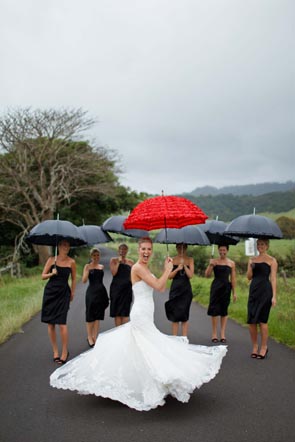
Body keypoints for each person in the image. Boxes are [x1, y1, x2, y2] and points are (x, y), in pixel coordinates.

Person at [50, 237, 227, 411]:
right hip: (140, 314)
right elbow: (159, 286)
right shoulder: (136, 268)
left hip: (147, 313)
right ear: (138, 250)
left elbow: (162, 287)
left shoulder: (145, 268)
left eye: (149, 249)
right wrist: (167, 270)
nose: (146, 252)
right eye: (143, 249)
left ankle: (148, 380)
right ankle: (142, 383)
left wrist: (166, 271)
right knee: (145, 345)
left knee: (145, 346)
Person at [41, 239, 76, 364]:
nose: (65, 247)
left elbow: (74, 279)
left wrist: (72, 292)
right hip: (50, 293)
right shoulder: (51, 260)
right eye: (63, 245)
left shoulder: (71, 262)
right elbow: (43, 276)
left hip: (63, 294)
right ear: (59, 247)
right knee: (51, 324)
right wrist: (51, 273)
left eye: (67, 245)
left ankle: (65, 351)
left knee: (62, 324)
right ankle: (55, 351)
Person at [246, 238, 277, 359]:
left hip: (265, 291)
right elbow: (249, 277)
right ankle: (255, 346)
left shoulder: (272, 260)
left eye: (262, 244)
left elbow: (273, 278)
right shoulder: (252, 260)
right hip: (254, 291)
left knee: (263, 321)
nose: (260, 246)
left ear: (267, 246)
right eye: (258, 244)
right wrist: (250, 266)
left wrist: (274, 296)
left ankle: (264, 347)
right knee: (252, 321)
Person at [205, 244, 237, 343]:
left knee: (224, 310)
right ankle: (214, 334)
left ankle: (222, 334)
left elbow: (233, 278)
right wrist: (210, 265)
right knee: (214, 310)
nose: (222, 252)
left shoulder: (231, 263)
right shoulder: (214, 261)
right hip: (216, 287)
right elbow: (207, 275)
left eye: (224, 250)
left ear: (227, 250)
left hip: (226, 287)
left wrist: (234, 292)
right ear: (218, 250)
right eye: (220, 250)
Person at [82, 247, 109, 348]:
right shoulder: (87, 266)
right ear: (91, 256)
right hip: (91, 292)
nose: (96, 257)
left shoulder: (101, 266)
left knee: (98, 315)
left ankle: (95, 336)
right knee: (90, 315)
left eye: (98, 255)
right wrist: (88, 270)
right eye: (94, 255)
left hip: (101, 292)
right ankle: (89, 336)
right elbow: (84, 280)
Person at [165, 243, 194, 337]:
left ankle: (184, 339)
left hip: (186, 290)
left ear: (186, 248)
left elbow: (190, 275)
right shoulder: (172, 260)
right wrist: (177, 269)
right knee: (175, 315)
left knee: (184, 315)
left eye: (183, 248)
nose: (181, 250)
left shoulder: (190, 260)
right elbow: (169, 276)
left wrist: (185, 266)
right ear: (176, 248)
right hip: (175, 289)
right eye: (179, 248)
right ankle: (174, 338)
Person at [109, 243, 134, 326]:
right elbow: (114, 273)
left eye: (124, 249)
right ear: (118, 250)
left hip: (127, 290)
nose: (122, 251)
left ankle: (124, 334)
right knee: (117, 313)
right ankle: (118, 333)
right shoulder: (113, 260)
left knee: (125, 312)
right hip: (116, 289)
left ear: (127, 251)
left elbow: (132, 277)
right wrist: (119, 262)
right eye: (121, 249)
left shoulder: (130, 262)